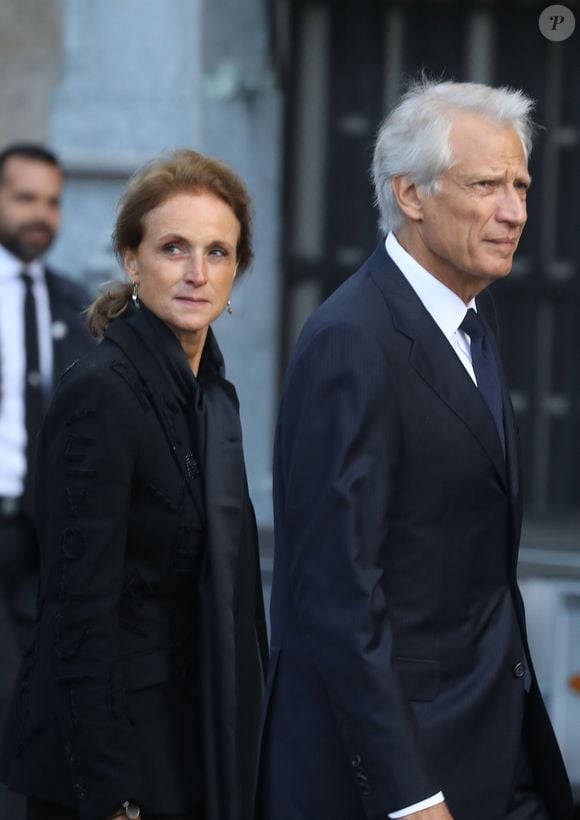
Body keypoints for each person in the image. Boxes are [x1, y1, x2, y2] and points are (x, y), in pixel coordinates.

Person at [256, 80, 573, 820]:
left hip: (490, 743)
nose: (515, 211)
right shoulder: (352, 340)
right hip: (395, 775)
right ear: (411, 194)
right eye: (485, 184)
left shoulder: (468, 320)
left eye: (521, 185)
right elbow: (337, 593)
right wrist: (410, 794)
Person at [0, 148, 268, 820]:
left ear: (239, 270)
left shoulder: (214, 397)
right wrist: (114, 793)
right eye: (174, 248)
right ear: (131, 259)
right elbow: (75, 610)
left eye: (218, 252)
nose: (197, 273)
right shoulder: (102, 393)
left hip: (193, 743)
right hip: (114, 765)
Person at [0, 144, 94, 817]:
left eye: (52, 201)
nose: (41, 214)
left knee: (32, 699)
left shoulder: (74, 305)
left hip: (42, 538)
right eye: (25, 198)